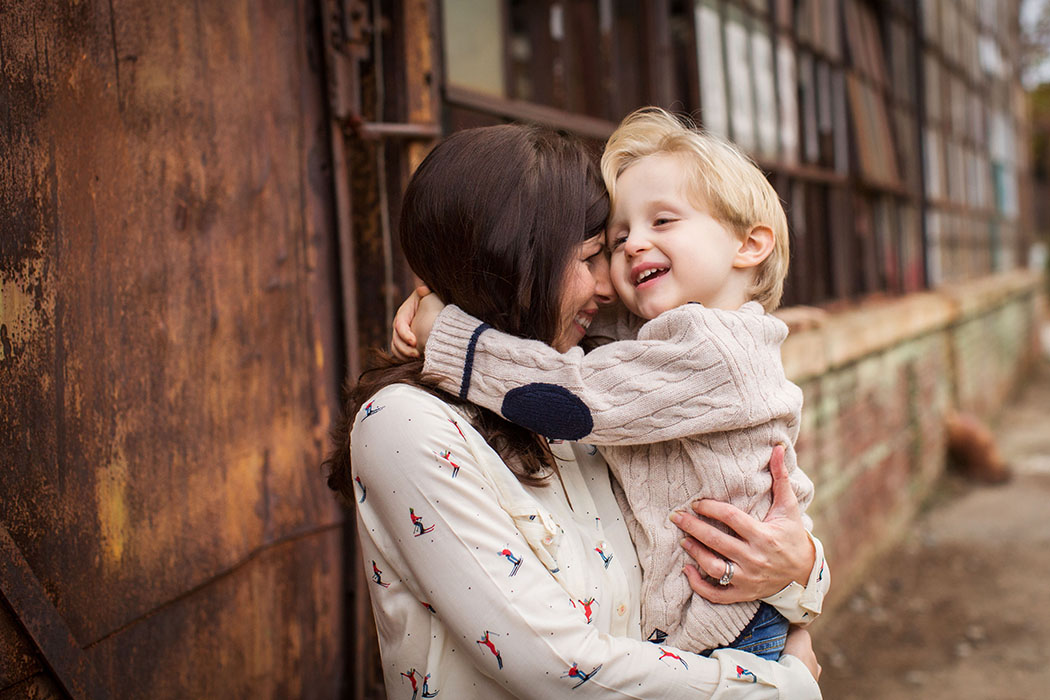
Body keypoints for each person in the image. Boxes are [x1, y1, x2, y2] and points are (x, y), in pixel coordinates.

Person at [325, 122, 824, 698]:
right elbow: (560, 666)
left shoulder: (594, 396)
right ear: (516, 264)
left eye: (661, 222)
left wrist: (801, 571)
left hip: (724, 634)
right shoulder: (409, 426)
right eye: (600, 252)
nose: (613, 280)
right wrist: (778, 688)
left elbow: (775, 527)